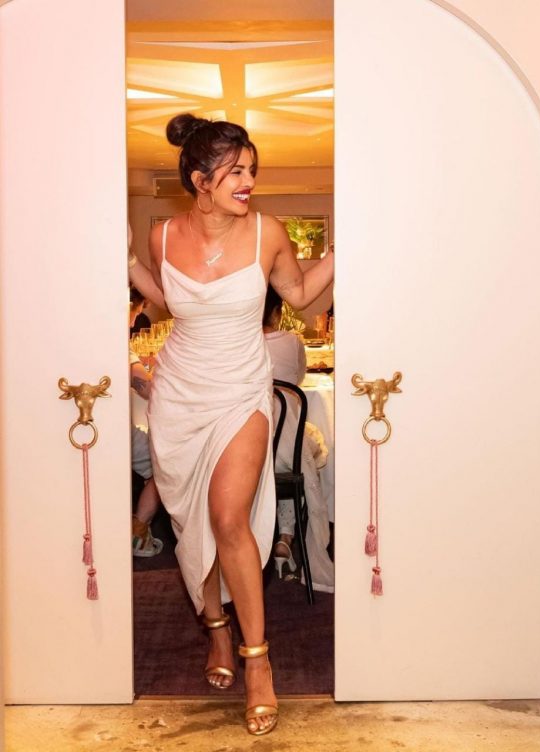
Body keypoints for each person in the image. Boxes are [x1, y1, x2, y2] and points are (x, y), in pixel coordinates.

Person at [145, 114, 334, 736]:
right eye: (235, 172)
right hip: (179, 393)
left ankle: (259, 662)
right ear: (200, 181)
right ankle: (217, 632)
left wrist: (345, 251)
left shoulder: (266, 232)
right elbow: (165, 301)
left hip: (241, 391)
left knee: (228, 518)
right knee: (190, 521)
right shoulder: (162, 234)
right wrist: (124, 264)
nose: (248, 181)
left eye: (252, 170)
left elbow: (299, 293)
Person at [263, 285, 334, 592]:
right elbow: (299, 379)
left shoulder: (237, 346)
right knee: (312, 449)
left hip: (248, 448)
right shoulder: (292, 342)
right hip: (285, 446)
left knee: (289, 453)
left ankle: (274, 536)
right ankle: (286, 537)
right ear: (277, 313)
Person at [129, 286, 163, 557]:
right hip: (120, 437)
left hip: (110, 431)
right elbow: (149, 390)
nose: (134, 321)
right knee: (167, 463)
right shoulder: (116, 345)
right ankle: (138, 532)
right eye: (137, 310)